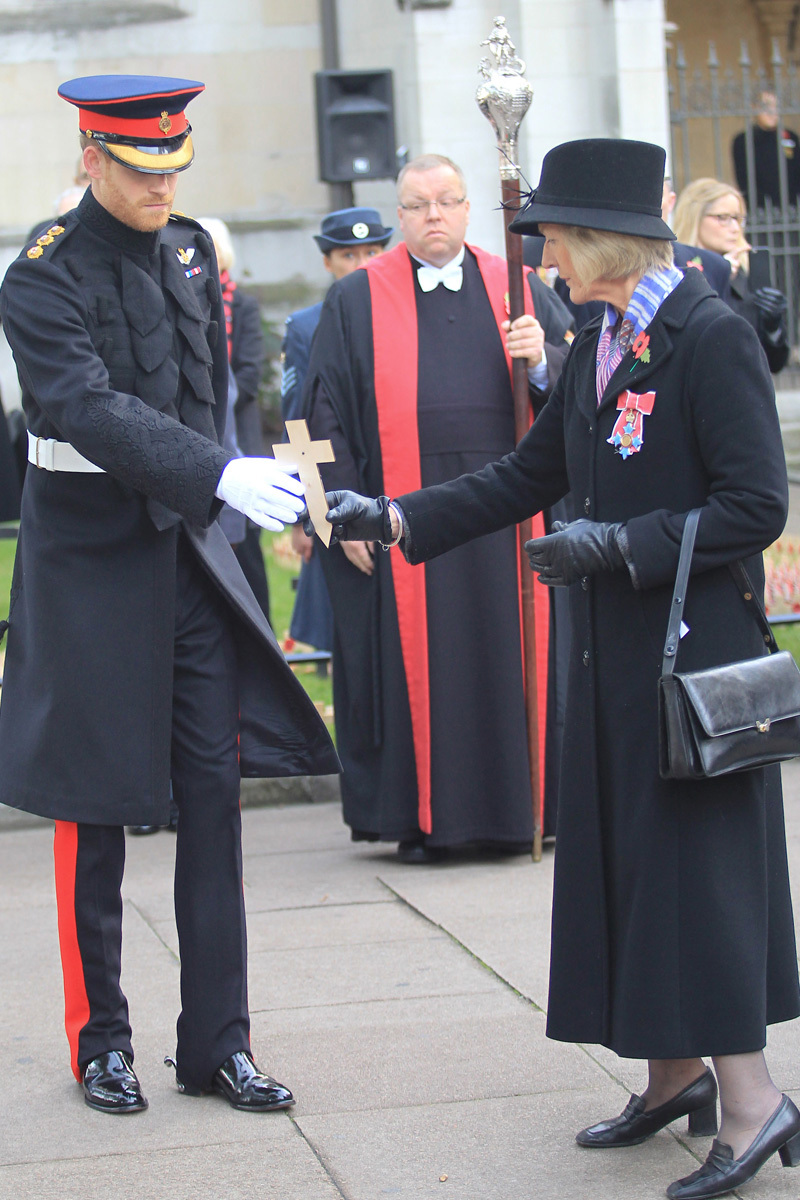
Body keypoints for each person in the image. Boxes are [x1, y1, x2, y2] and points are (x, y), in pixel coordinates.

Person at [310, 138, 800, 1199]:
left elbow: (756, 506)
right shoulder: (596, 339)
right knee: (627, 860)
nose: (541, 264)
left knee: (695, 876)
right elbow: (526, 473)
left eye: (552, 243)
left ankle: (754, 1099)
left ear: (599, 242)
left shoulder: (702, 335)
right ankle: (673, 1073)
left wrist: (620, 547)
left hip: (690, 661)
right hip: (612, 654)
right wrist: (393, 516)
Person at [0, 74, 338, 1116]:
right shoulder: (40, 276)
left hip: (187, 560)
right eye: (142, 168)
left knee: (215, 801)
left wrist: (248, 485)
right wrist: (214, 473)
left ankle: (218, 1044)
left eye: (173, 165)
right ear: (93, 158)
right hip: (90, 567)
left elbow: (210, 394)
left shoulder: (192, 253)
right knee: (89, 813)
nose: (162, 185)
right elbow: (82, 406)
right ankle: (101, 1042)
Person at [304, 153, 573, 862]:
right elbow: (310, 419)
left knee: (516, 657)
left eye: (448, 202)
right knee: (428, 673)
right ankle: (430, 821)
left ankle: (530, 813)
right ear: (400, 215)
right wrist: (332, 517)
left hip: (511, 517)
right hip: (404, 528)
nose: (434, 216)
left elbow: (585, 389)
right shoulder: (356, 298)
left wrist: (542, 358)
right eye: (418, 204)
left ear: (466, 208)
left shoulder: (517, 286)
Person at [282, 207, 393, 652]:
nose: (362, 264)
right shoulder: (306, 326)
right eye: (348, 256)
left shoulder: (407, 312)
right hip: (341, 488)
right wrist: (309, 510)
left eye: (372, 251)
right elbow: (298, 424)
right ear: (328, 262)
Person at [197, 216, 272, 621]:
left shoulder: (241, 305)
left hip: (236, 428)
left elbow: (249, 370)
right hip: (197, 431)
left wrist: (211, 397)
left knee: (247, 543)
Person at [673, 177, 789, 373]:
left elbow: (774, 364)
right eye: (723, 218)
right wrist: (717, 274)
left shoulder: (746, 276)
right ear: (695, 217)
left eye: (738, 218)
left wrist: (773, 328)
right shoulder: (674, 270)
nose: (735, 228)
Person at [732, 90, 800, 209]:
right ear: (754, 108)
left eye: (776, 106)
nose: (771, 111)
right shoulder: (743, 140)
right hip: (760, 211)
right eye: (766, 106)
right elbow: (743, 180)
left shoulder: (790, 137)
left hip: (792, 210)